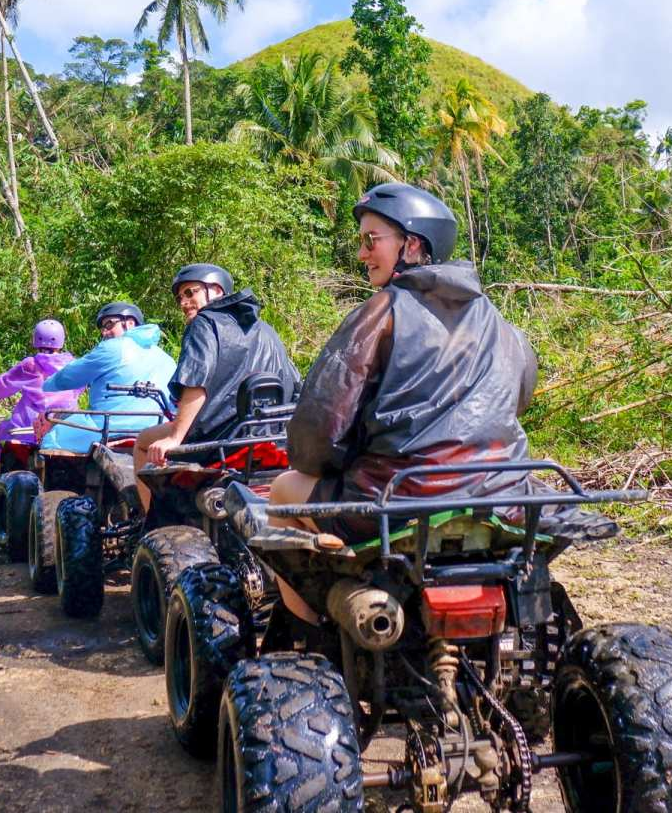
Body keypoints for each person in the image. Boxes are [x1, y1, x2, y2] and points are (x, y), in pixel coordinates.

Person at [268, 183, 539, 622]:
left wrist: (321, 461)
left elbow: (321, 421)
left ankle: (312, 633)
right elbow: (517, 398)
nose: (362, 254)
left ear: (411, 245)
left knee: (283, 488)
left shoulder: (382, 310)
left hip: (400, 498)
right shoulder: (501, 323)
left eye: (370, 239)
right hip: (501, 494)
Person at [133, 264, 300, 511]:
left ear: (217, 291)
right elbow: (295, 384)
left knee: (142, 442)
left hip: (218, 437)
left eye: (191, 292)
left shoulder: (204, 322)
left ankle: (147, 524)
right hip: (269, 436)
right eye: (180, 297)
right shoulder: (266, 330)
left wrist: (174, 437)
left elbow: (196, 381)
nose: (183, 302)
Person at [39, 302, 177, 454]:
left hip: (107, 428)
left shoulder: (113, 348)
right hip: (157, 430)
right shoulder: (167, 359)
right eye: (103, 328)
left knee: (50, 441)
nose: (105, 332)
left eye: (110, 324)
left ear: (130, 323)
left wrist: (45, 385)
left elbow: (68, 377)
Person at [0, 318, 82, 463]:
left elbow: (4, 383)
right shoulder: (72, 364)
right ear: (61, 340)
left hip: (30, 426)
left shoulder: (30, 365)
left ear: (35, 339)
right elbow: (79, 388)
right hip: (65, 424)